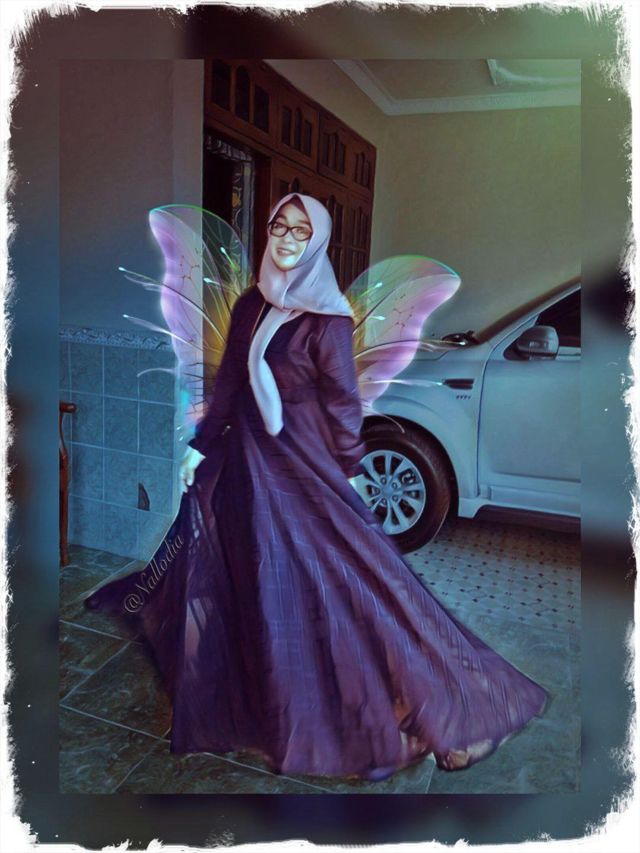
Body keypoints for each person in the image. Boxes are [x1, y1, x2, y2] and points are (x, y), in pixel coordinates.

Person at [85, 193, 548, 782]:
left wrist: (348, 470)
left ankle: (449, 711)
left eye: (300, 231)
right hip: (248, 460)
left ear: (317, 242)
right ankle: (275, 695)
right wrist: (200, 444)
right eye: (279, 225)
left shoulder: (328, 321)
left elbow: (343, 406)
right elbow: (230, 383)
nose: (285, 238)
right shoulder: (252, 302)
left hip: (305, 465)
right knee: (261, 577)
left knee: (357, 585)